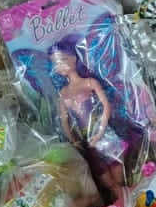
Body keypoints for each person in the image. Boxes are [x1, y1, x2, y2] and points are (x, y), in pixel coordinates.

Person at [48, 41, 127, 190]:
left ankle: (125, 196)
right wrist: (74, 141)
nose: (59, 65)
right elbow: (65, 120)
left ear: (74, 58)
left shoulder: (90, 82)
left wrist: (101, 131)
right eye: (55, 63)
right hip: (86, 141)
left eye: (63, 59)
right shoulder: (63, 93)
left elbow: (106, 106)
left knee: (118, 176)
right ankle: (118, 199)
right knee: (107, 182)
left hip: (104, 136)